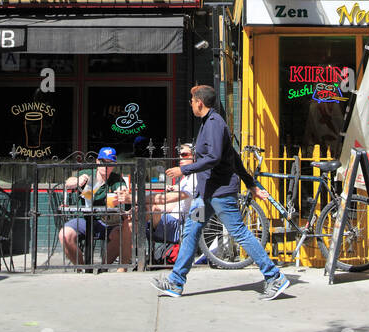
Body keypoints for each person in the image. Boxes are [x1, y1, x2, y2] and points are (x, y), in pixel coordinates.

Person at [153, 86, 290, 300]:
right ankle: (175, 282)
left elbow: (215, 157)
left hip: (220, 193)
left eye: (192, 100)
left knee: (239, 232)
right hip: (205, 196)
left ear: (200, 102)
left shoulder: (215, 124)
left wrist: (184, 169)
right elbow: (233, 156)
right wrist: (251, 183)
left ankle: (274, 277)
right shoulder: (208, 124)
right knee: (191, 230)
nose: (190, 103)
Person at [59, 146, 131, 268]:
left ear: (114, 164)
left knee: (121, 233)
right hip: (84, 219)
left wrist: (122, 192)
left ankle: (103, 268)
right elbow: (68, 183)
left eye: (111, 162)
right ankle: (82, 267)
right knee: (64, 234)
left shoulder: (115, 179)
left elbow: (122, 190)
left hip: (108, 221)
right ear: (98, 161)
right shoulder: (88, 174)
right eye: (103, 162)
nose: (106, 166)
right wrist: (77, 180)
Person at [146, 142, 200, 248]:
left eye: (184, 155)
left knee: (146, 212)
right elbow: (173, 204)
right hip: (172, 216)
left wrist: (136, 199)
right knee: (142, 213)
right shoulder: (186, 178)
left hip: (180, 223)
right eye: (179, 155)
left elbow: (171, 198)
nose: (180, 158)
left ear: (194, 156)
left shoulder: (195, 177)